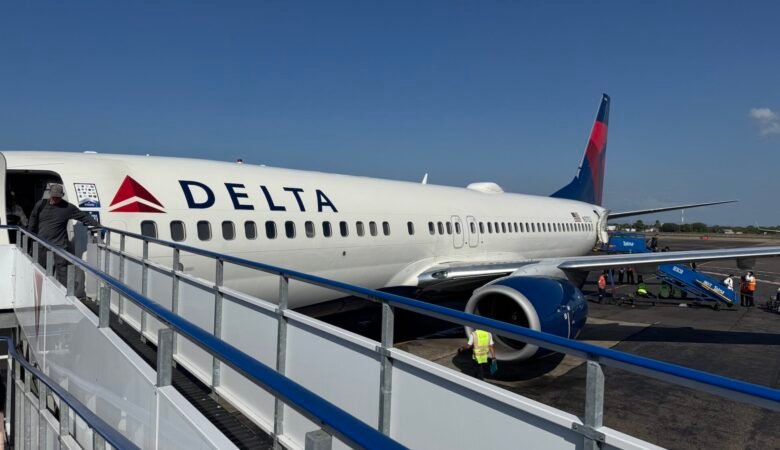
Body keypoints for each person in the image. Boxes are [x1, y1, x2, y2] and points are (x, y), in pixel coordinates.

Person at [28, 184, 99, 284]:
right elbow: (33, 219)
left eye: (58, 197)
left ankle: (64, 292)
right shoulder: (40, 204)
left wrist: (97, 225)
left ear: (62, 195)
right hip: (41, 243)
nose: (55, 199)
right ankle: (41, 288)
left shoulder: (68, 207)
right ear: (49, 194)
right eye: (54, 196)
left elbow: (84, 217)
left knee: (62, 270)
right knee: (40, 267)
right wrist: (30, 235)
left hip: (59, 244)